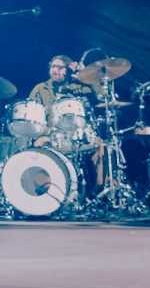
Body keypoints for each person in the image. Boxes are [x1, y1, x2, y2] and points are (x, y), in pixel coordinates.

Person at [28, 54, 106, 195]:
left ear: (68, 71)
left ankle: (100, 192)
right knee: (38, 145)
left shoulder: (77, 87)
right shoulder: (40, 89)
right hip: (50, 136)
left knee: (99, 145)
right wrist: (46, 130)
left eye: (60, 67)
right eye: (53, 67)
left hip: (75, 135)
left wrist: (86, 75)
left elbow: (101, 96)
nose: (55, 70)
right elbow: (32, 115)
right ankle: (46, 193)